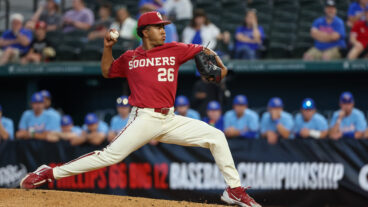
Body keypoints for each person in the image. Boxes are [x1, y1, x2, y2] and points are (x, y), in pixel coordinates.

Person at [20, 11, 261, 207]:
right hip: (143, 117)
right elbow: (107, 72)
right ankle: (49, 173)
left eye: (164, 26)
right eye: (158, 27)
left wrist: (220, 65)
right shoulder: (129, 57)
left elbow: (204, 51)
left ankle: (234, 190)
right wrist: (107, 48)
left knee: (216, 136)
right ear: (145, 32)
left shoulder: (175, 48)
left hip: (170, 118)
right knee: (109, 156)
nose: (164, 30)